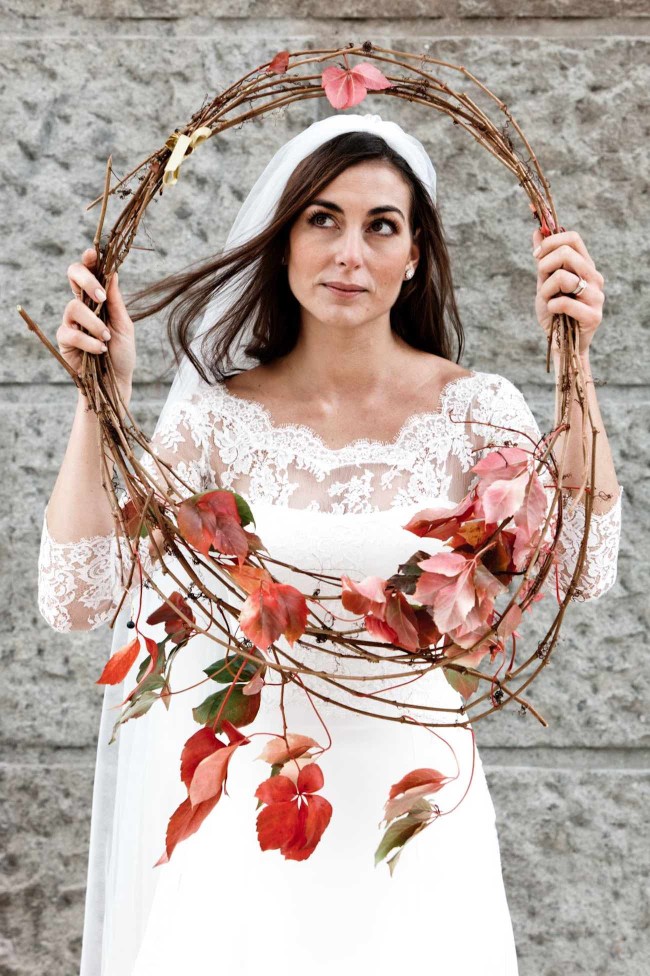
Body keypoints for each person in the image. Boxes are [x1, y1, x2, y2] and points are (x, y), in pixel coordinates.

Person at [37, 112, 623, 975]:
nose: (350, 252)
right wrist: (101, 397)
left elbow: (585, 564)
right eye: (322, 219)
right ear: (284, 242)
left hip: (415, 807)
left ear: (416, 252)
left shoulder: (474, 408)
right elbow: (77, 597)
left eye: (381, 225)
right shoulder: (217, 417)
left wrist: (578, 365)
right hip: (253, 812)